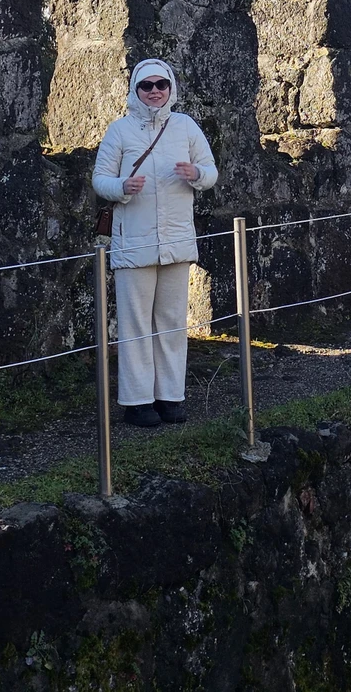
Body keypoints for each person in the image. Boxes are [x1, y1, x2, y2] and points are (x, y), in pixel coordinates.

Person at [91, 58, 218, 427]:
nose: (155, 91)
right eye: (147, 85)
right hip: (134, 242)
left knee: (172, 322)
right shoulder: (120, 131)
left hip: (176, 240)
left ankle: (170, 397)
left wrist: (196, 175)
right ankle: (137, 401)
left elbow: (210, 170)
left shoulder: (185, 127)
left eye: (161, 84)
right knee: (135, 325)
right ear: (135, 89)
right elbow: (100, 178)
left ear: (171, 87)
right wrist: (122, 188)